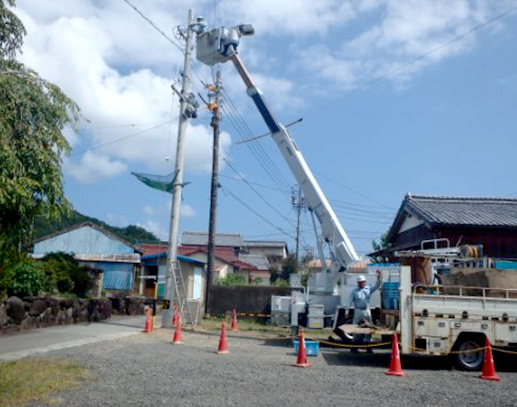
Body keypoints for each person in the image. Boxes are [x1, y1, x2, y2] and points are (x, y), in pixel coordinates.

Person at [345, 270, 382, 353]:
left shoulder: (369, 289)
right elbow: (349, 301)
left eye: (362, 282)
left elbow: (377, 285)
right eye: (360, 282)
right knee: (355, 328)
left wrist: (378, 277)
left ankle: (368, 347)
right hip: (357, 311)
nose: (361, 283)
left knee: (369, 328)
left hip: (367, 311)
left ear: (365, 282)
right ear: (358, 283)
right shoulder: (354, 291)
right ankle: (354, 347)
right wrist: (347, 310)